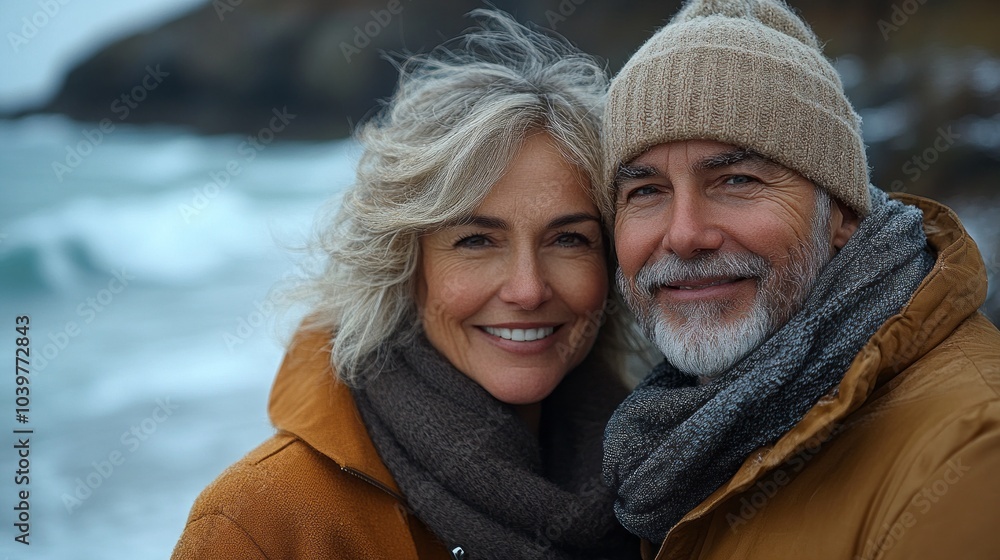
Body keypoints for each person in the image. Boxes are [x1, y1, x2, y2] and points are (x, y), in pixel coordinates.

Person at [171, 9, 641, 560]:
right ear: (403, 264)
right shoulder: (261, 522)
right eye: (476, 241)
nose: (527, 289)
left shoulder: (662, 487)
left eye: (569, 240)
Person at [599, 1, 1000, 559]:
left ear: (842, 215)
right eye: (645, 191)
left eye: (736, 179)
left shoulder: (970, 453)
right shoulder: (675, 443)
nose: (685, 234)